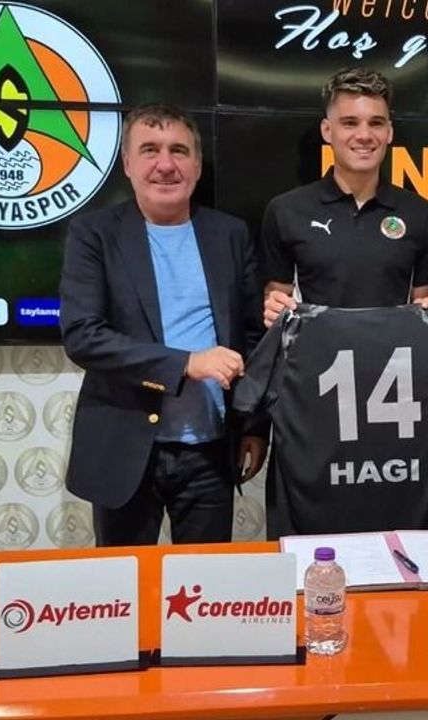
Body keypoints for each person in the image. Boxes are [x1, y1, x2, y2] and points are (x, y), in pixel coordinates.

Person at [60, 104, 266, 546]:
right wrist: (186, 363)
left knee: (204, 582)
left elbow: (253, 337)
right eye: (150, 150)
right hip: (124, 449)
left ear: (197, 165)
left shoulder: (230, 234)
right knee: (123, 581)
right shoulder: (94, 234)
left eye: (179, 151)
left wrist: (254, 425)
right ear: (127, 164)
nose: (166, 164)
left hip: (211, 454)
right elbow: (83, 336)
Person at [260, 67, 428, 324]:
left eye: (376, 123)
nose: (364, 136)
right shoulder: (285, 210)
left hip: (394, 350)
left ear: (389, 132)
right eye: (350, 123)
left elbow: (422, 309)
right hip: (315, 350)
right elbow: (277, 301)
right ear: (327, 131)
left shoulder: (421, 214)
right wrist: (273, 311)